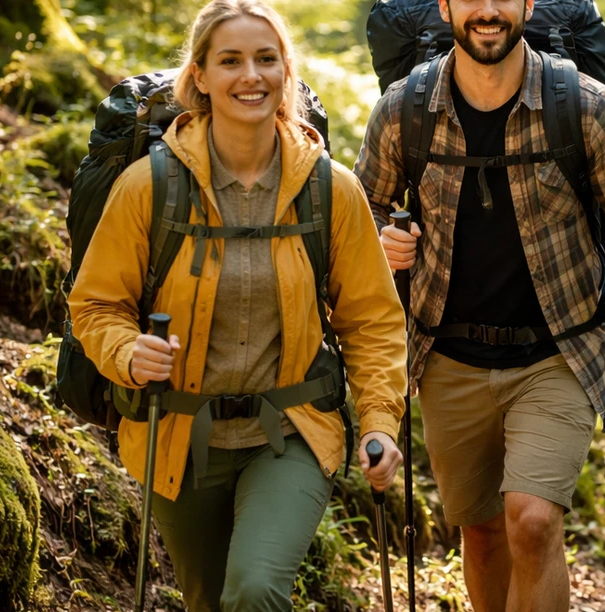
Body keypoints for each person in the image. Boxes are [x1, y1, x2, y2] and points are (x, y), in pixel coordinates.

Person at [67, 1, 408, 608]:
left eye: (265, 59)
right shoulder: (150, 186)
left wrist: (380, 422)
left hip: (292, 431)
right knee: (206, 600)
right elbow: (95, 303)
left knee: (255, 589)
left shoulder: (332, 191)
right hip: (177, 432)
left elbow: (372, 320)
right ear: (199, 76)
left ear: (286, 71)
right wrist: (127, 352)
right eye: (230, 61)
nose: (250, 75)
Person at [353, 0, 605, 609]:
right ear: (446, 7)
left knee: (531, 520)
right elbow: (361, 209)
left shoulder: (583, 105)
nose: (488, 10)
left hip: (558, 351)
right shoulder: (404, 110)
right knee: (481, 529)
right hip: (447, 355)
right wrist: (382, 240)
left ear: (528, 4)